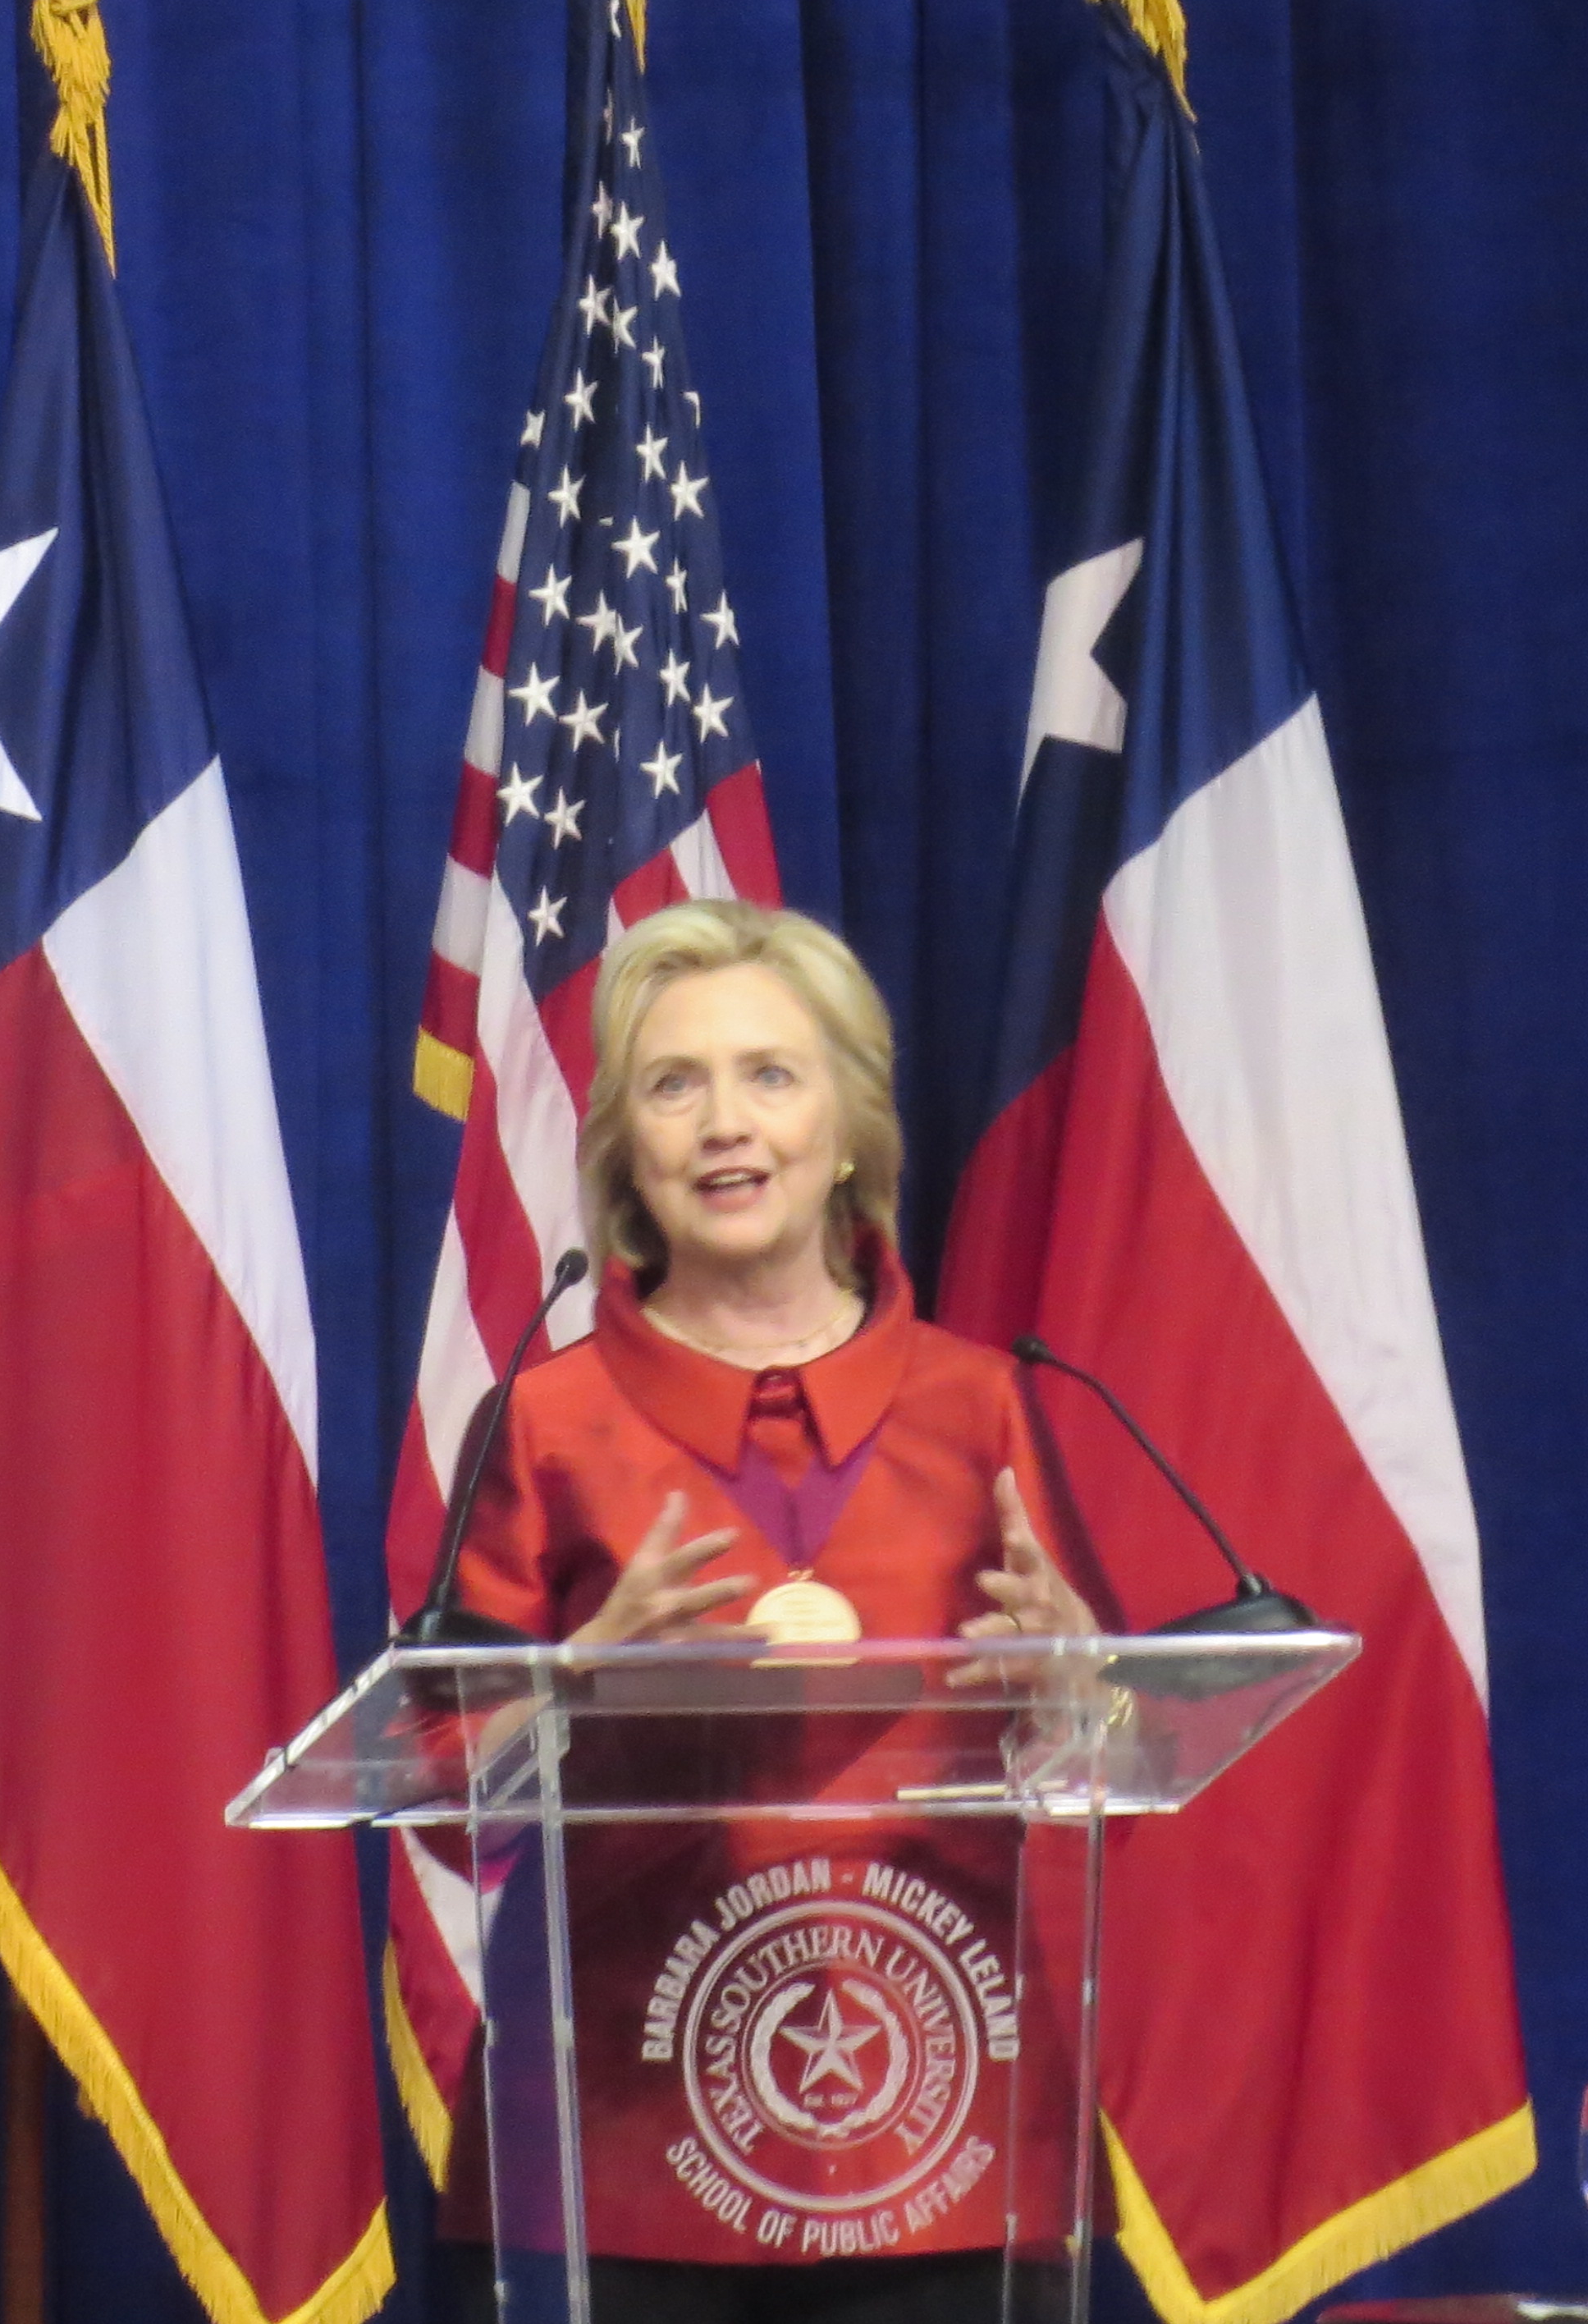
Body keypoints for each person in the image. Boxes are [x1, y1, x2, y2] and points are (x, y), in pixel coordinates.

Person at [438, 900, 1098, 2324]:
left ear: (851, 1128)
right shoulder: (545, 1424)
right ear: (627, 1148)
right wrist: (571, 1689)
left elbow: (1103, 1755)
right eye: (676, 1086)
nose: (724, 1123)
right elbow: (438, 1792)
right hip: (614, 2144)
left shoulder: (982, 1404)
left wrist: (1078, 1689)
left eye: (771, 1076)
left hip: (945, 2144)